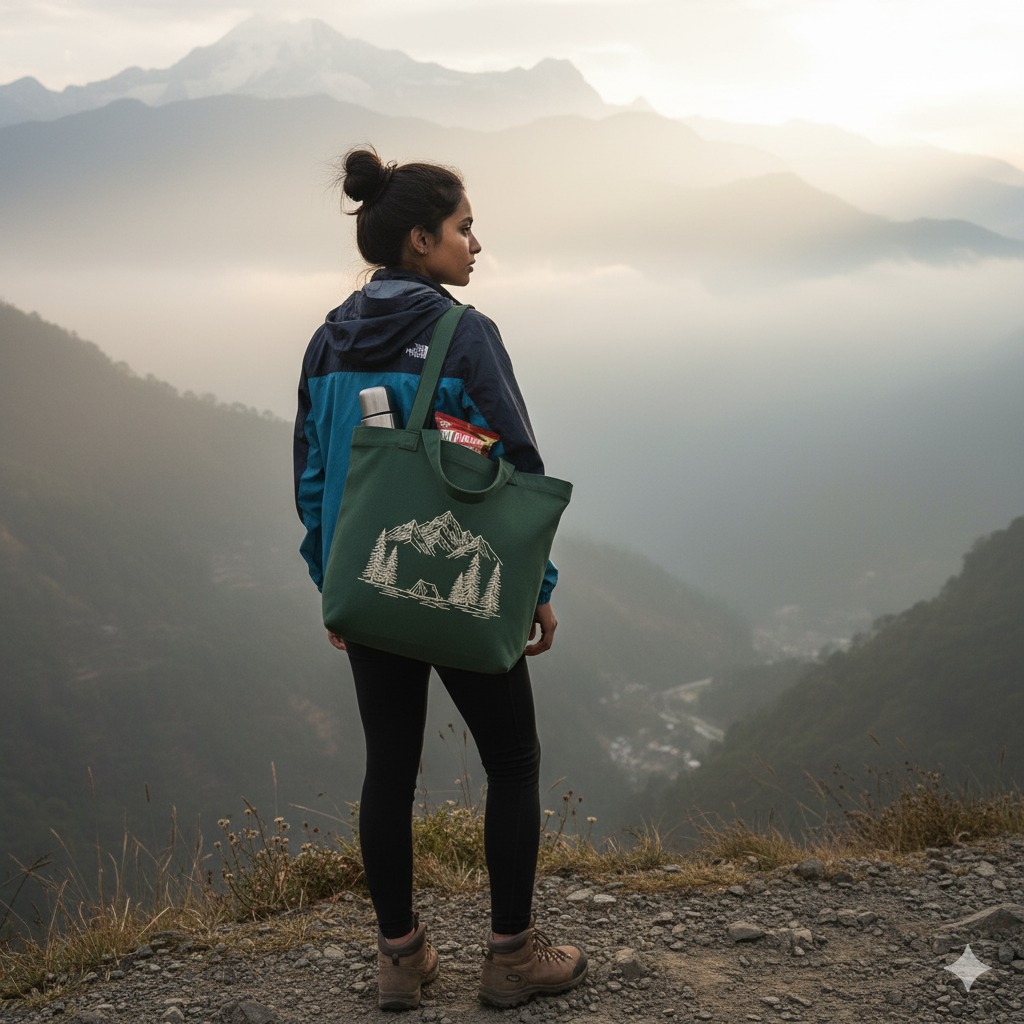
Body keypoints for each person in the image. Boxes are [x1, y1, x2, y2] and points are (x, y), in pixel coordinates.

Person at [292, 147, 587, 1011]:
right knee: (513, 758)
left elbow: (314, 478)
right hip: (464, 582)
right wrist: (538, 586)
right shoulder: (466, 334)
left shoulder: (327, 338)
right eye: (463, 228)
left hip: (369, 588)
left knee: (389, 766)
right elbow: (519, 471)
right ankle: (509, 959)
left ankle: (400, 960)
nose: (476, 245)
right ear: (420, 240)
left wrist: (331, 583)